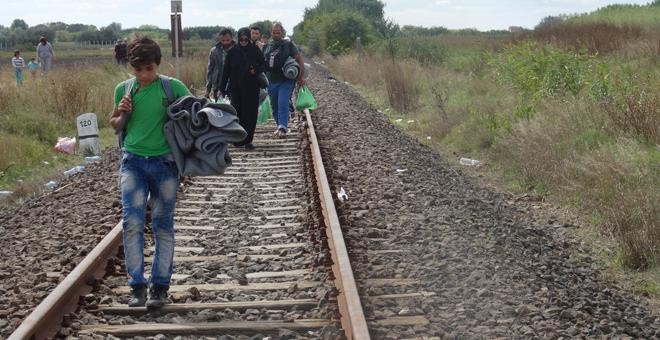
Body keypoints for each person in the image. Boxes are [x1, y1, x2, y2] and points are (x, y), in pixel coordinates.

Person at [109, 36, 190, 309]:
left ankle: (160, 286)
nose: (144, 75)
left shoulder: (173, 87)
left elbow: (194, 116)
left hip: (165, 165)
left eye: (149, 69)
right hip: (132, 162)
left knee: (162, 224)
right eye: (138, 70)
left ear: (158, 64)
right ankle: (137, 286)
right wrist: (122, 112)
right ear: (132, 67)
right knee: (131, 223)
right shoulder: (124, 89)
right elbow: (114, 125)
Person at [220, 27, 265, 150]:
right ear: (238, 39)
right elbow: (226, 72)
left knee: (250, 115)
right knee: (237, 114)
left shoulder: (255, 50)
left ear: (249, 39)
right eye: (242, 39)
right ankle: (238, 139)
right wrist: (222, 88)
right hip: (236, 89)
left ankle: (248, 140)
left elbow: (263, 65)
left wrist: (255, 69)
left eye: (246, 39)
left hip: (252, 88)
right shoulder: (233, 52)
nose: (244, 41)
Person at [263, 22, 305, 138]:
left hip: (286, 79)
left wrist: (301, 77)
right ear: (271, 33)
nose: (276, 34)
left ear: (282, 33)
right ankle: (280, 126)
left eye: (278, 32)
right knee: (274, 105)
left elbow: (299, 59)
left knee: (282, 102)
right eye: (274, 32)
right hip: (271, 80)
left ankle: (283, 127)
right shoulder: (267, 46)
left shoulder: (288, 45)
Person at [205, 28, 235, 100]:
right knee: (218, 108)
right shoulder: (214, 51)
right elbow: (210, 70)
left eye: (227, 40)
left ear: (231, 38)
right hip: (218, 85)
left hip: (234, 85)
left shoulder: (237, 50)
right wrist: (208, 89)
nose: (225, 42)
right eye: (223, 40)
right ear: (220, 39)